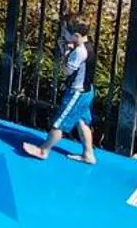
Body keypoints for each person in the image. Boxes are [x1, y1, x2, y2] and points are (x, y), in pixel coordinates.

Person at [24, 19, 96, 164]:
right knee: (82, 122)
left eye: (65, 33)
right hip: (88, 91)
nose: (63, 35)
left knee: (59, 123)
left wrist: (66, 52)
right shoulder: (89, 45)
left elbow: (67, 71)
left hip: (77, 93)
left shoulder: (79, 52)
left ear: (76, 35)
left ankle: (43, 150)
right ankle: (88, 154)